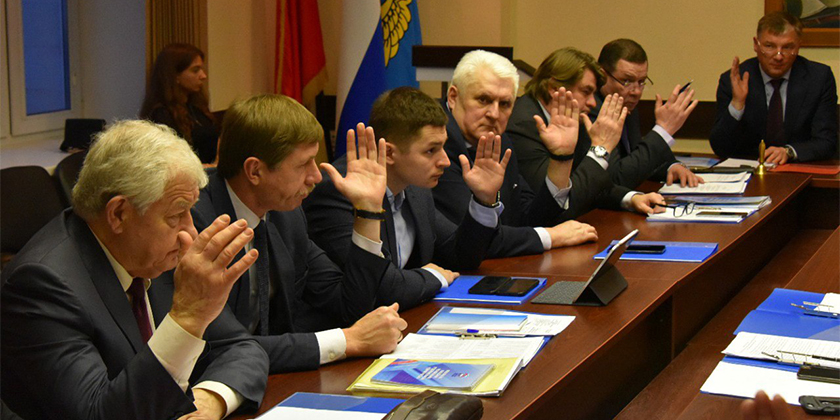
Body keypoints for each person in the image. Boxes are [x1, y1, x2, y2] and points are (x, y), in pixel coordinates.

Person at [1, 120, 268, 420]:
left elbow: (241, 347)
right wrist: (188, 318)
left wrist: (210, 401)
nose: (190, 233)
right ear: (118, 214)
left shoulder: (154, 255)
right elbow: (97, 415)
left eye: (190, 212)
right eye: (176, 215)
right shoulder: (41, 286)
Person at [306, 87, 594, 309]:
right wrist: (433, 276)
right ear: (390, 153)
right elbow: (378, 286)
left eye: (443, 147)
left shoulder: (415, 188)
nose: (445, 161)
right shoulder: (339, 191)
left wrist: (483, 200)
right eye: (431, 150)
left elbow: (460, 254)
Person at [190, 94, 407, 374]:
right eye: (304, 164)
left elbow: (347, 306)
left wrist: (367, 211)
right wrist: (348, 341)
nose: (316, 177)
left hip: (272, 378)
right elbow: (221, 347)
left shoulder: (286, 214)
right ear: (255, 171)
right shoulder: (198, 224)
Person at [710, 11, 838, 164]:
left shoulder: (818, 78)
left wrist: (789, 152)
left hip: (799, 169)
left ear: (798, 46)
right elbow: (720, 148)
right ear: (756, 45)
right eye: (769, 46)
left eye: (787, 47)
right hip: (749, 170)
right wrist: (737, 105)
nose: (778, 56)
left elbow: (827, 142)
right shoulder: (734, 80)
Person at [596, 39, 702, 188]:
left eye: (641, 82)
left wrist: (671, 167)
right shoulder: (590, 112)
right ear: (602, 76)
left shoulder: (627, 107)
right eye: (626, 81)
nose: (636, 92)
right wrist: (663, 131)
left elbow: (637, 161)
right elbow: (616, 179)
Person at [141, 43, 219, 164]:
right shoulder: (161, 114)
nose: (203, 76)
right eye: (195, 70)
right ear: (175, 76)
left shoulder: (195, 107)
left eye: (202, 69)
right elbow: (170, 161)